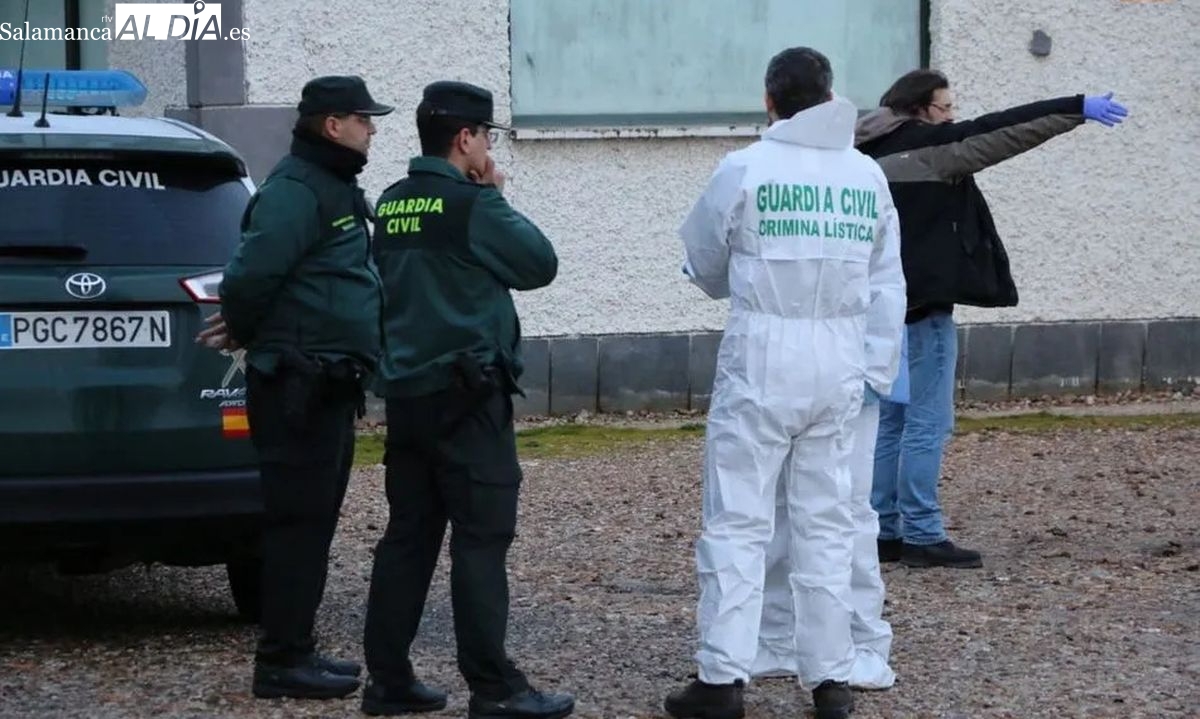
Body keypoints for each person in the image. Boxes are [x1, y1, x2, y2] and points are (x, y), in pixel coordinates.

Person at [664, 47, 906, 719]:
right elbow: (888, 283)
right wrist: (875, 369)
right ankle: (831, 679)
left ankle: (722, 679)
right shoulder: (865, 176)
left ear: (769, 101)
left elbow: (704, 263)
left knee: (738, 519)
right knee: (827, 521)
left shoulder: (743, 168)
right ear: (830, 95)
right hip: (840, 358)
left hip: (762, 354)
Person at [359, 80, 574, 719]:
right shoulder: (471, 204)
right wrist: (495, 196)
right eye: (487, 136)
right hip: (468, 397)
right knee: (481, 540)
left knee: (408, 538)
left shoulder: (392, 204)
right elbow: (540, 264)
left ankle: (389, 680)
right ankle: (494, 686)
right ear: (466, 140)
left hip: (408, 397)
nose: (488, 146)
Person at [855, 70, 1128, 569]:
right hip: (921, 311)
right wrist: (1074, 107)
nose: (952, 116)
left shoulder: (863, 151)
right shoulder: (933, 150)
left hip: (877, 314)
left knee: (890, 421)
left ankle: (883, 529)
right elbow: (1004, 131)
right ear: (921, 109)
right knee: (926, 423)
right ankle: (921, 533)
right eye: (945, 107)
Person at [199, 75, 393, 700]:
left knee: (313, 523)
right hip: (297, 383)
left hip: (327, 380)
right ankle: (280, 661)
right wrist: (255, 331)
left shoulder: (331, 186)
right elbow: (250, 276)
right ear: (332, 125)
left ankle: (298, 649)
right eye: (363, 119)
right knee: (296, 526)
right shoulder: (295, 190)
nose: (372, 128)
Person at [753, 335, 910, 692]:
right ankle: (780, 635)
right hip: (793, 368)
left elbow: (885, 287)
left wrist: (874, 371)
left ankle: (855, 639)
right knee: (784, 509)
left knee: (844, 510)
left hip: (840, 366)